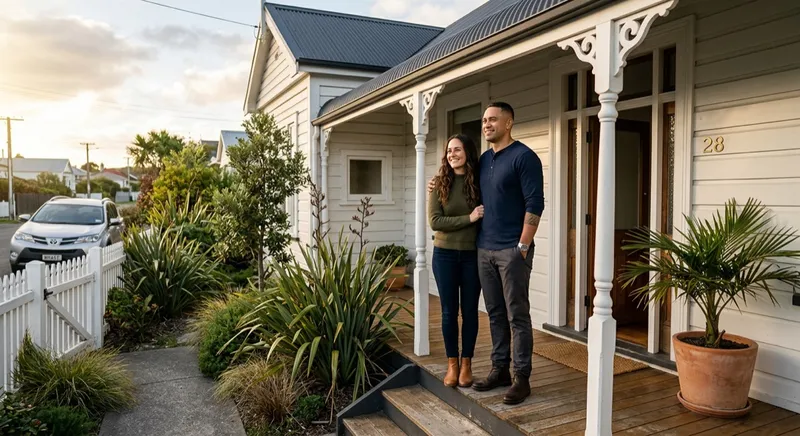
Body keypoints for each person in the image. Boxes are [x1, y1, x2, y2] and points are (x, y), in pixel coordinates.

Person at [429, 102, 544, 404]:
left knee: (516, 314)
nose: (486, 124)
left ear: (509, 123)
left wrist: (523, 245)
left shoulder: (524, 157)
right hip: (484, 249)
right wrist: (437, 181)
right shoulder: (484, 161)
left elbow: (535, 204)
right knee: (494, 314)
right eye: (483, 120)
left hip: (511, 250)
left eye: (493, 119)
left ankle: (521, 377)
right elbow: (456, 178)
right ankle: (500, 369)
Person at [428, 133, 484, 388]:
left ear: (467, 152)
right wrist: (468, 219)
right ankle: (452, 363)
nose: (452, 154)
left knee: (470, 311)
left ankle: (466, 364)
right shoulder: (439, 184)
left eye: (457, 149)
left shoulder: (479, 182)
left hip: (472, 255)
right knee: (449, 312)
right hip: (445, 256)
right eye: (449, 150)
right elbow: (435, 222)